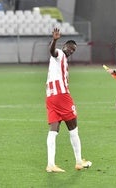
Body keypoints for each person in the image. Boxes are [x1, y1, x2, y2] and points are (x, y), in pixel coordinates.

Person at [45, 28, 92, 172]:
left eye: (73, 50)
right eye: (70, 48)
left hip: (50, 97)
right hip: (62, 96)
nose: (71, 51)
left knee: (53, 130)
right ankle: (78, 161)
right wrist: (55, 40)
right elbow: (52, 51)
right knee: (73, 129)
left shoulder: (62, 60)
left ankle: (50, 164)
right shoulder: (59, 54)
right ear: (64, 46)